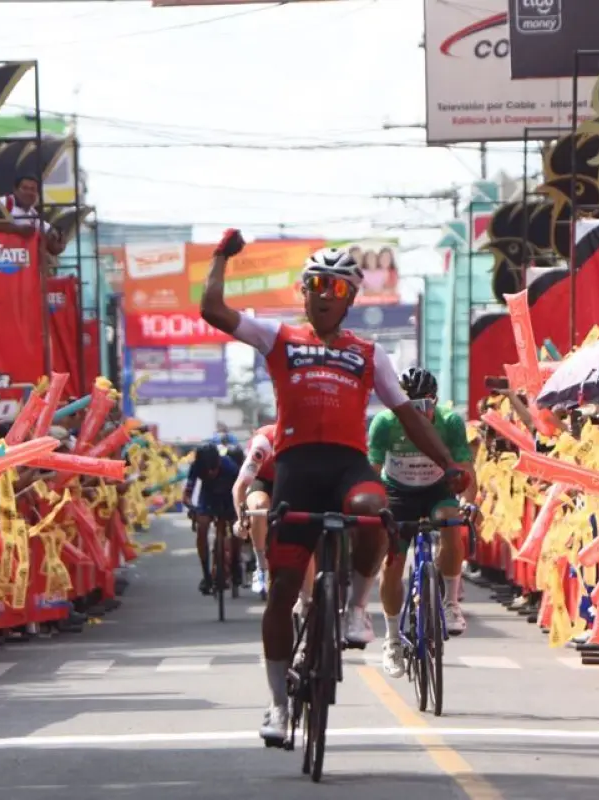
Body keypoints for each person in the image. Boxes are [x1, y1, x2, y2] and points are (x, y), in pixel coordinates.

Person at [198, 228, 469, 742]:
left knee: (373, 508)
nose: (325, 294)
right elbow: (213, 309)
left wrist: (446, 463)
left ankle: (354, 610)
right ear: (303, 290)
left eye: (338, 288)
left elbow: (410, 417)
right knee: (281, 589)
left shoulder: (369, 354)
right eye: (316, 284)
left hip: (347, 466)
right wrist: (219, 256)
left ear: (350, 299)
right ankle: (278, 706)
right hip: (297, 468)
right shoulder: (278, 337)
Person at [369, 367, 475, 678]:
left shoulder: (451, 422)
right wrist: (372, 507)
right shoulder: (384, 423)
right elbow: (373, 470)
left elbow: (466, 469)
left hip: (437, 490)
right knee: (392, 561)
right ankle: (391, 639)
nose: (419, 413)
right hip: (397, 493)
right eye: (410, 405)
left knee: (452, 521)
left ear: (436, 402)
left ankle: (451, 601)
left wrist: (468, 500)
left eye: (425, 406)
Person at [183, 442, 241, 594]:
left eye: (213, 469)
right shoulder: (195, 467)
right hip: (208, 498)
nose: (210, 474)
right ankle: (206, 575)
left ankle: (236, 564)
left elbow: (242, 491)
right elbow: (187, 496)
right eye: (205, 471)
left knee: (237, 529)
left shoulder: (230, 467)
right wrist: (192, 508)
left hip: (229, 497)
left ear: (219, 462)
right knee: (202, 527)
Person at [233, 423, 276, 598]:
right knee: (259, 506)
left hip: (291, 481)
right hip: (263, 480)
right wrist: (242, 519)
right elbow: (240, 487)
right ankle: (261, 564)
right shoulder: (263, 443)